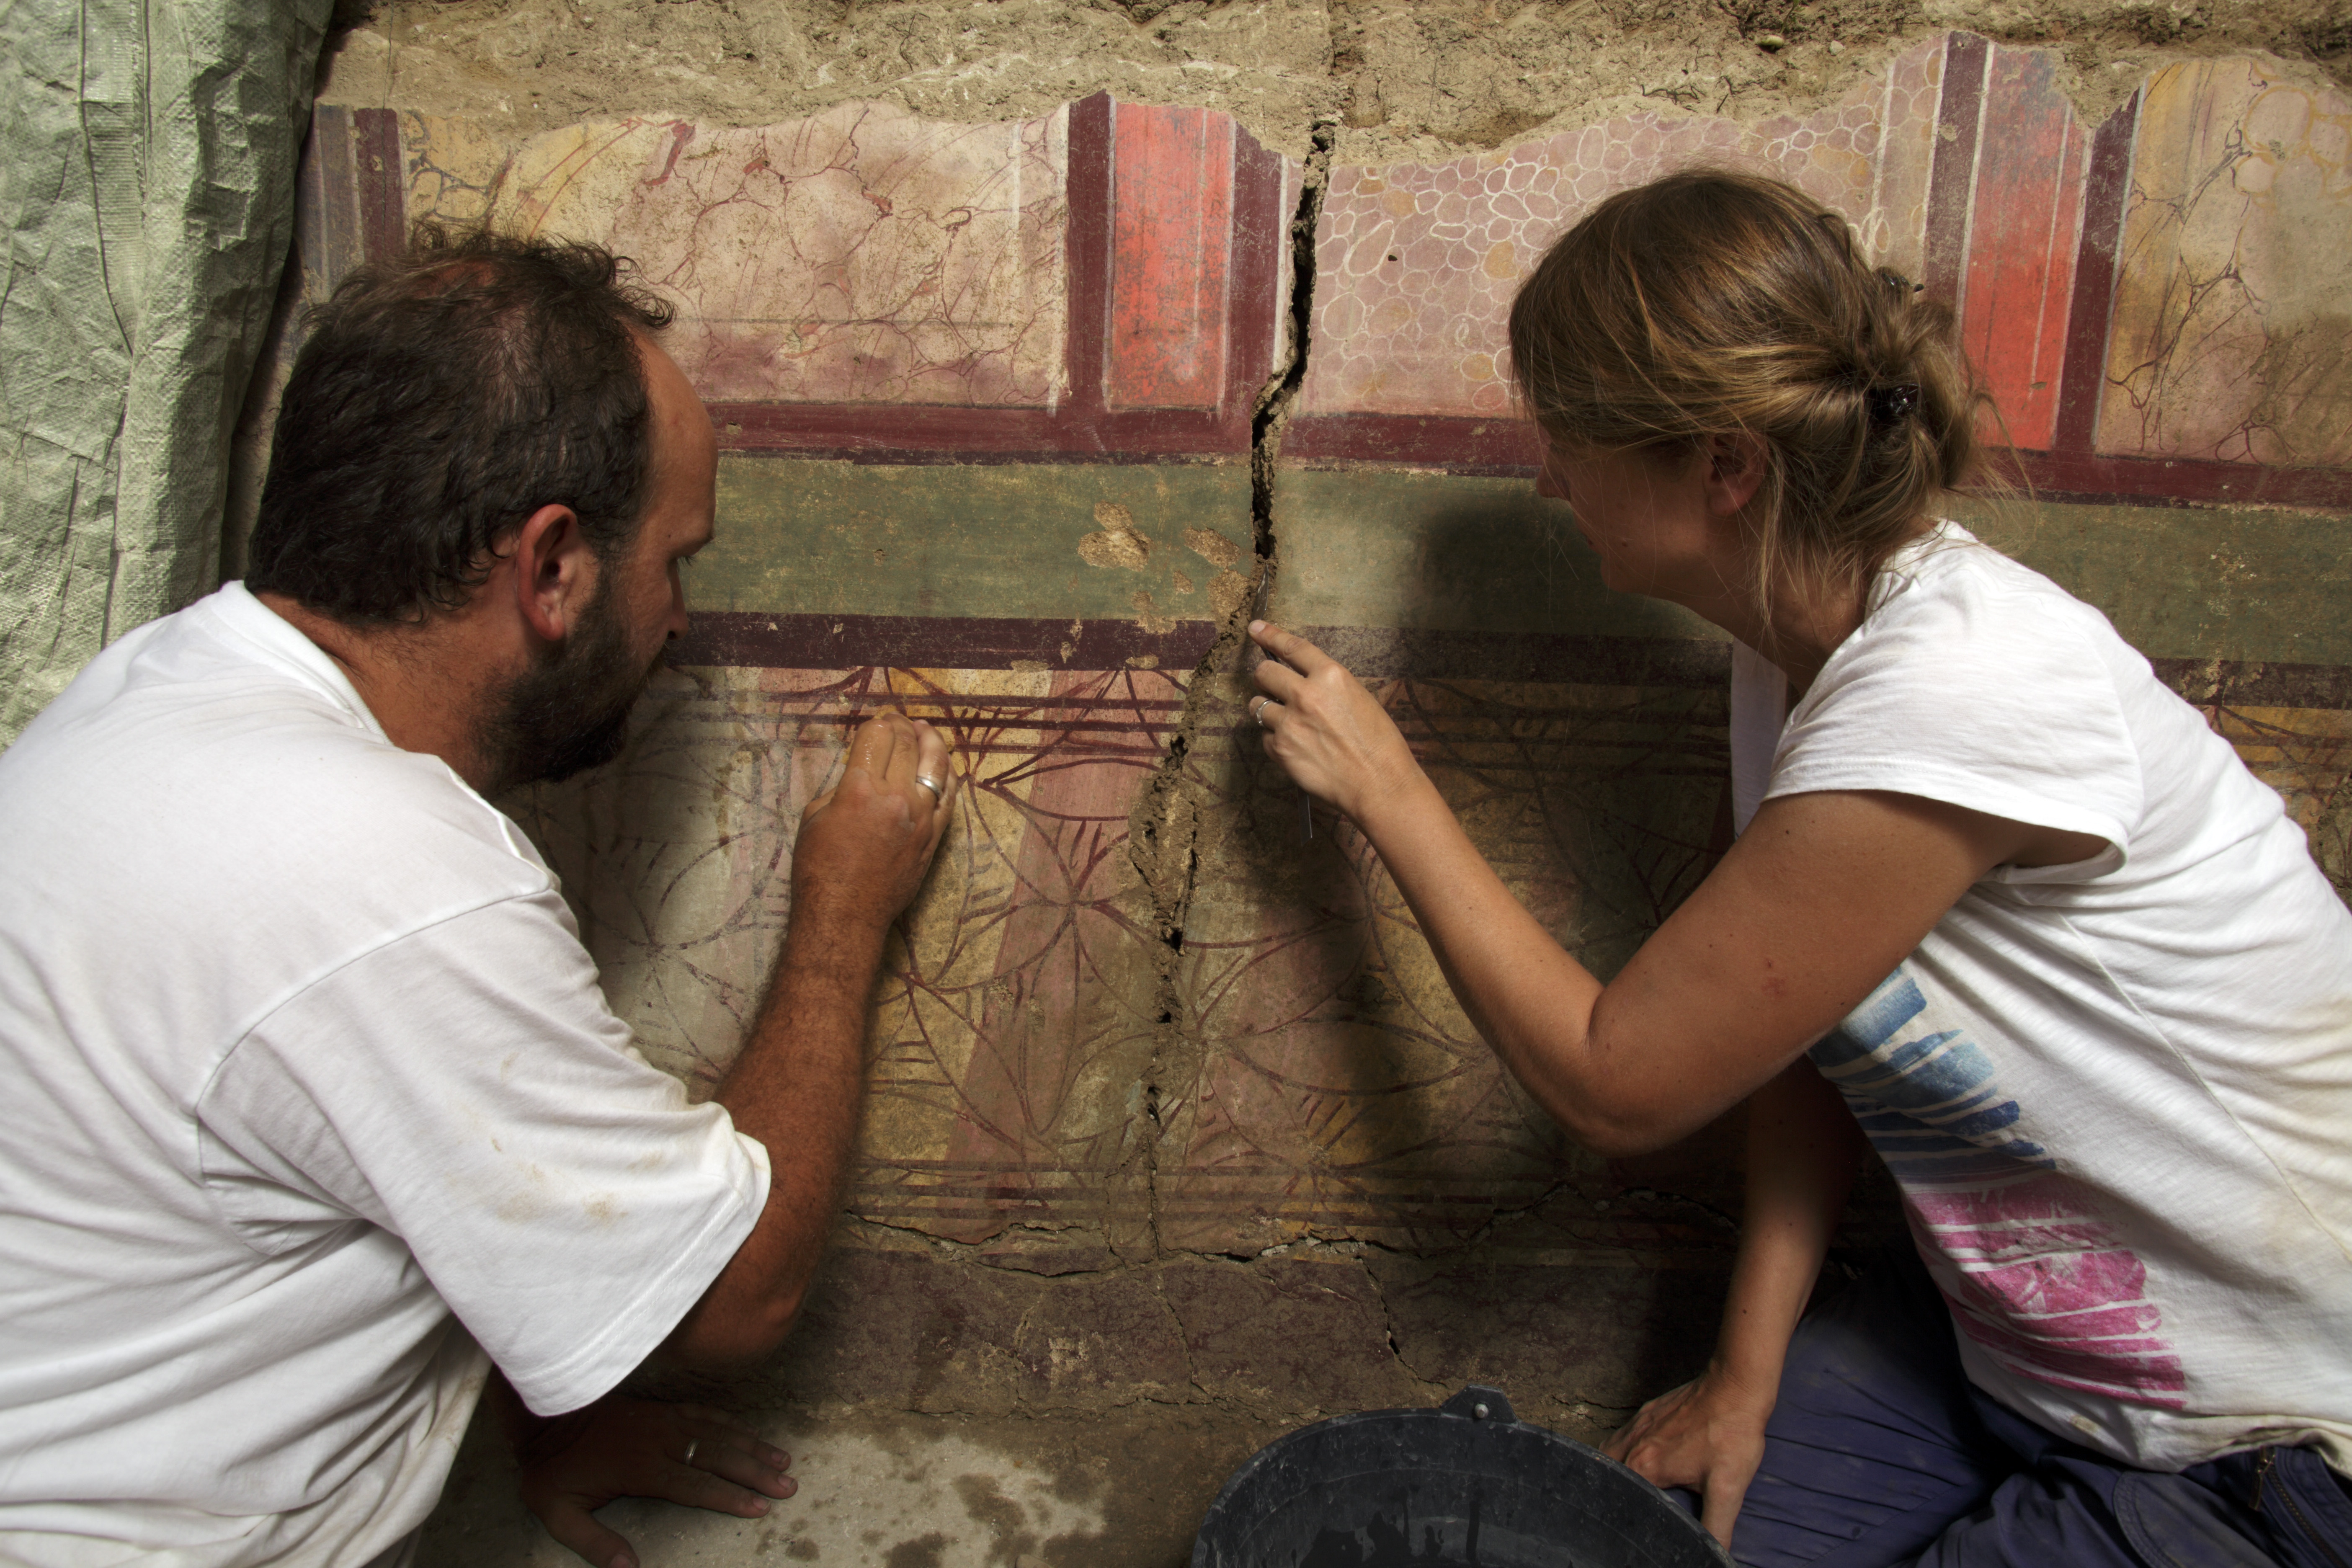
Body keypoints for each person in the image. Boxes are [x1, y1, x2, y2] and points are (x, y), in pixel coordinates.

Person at [1244, 170, 2352, 1566]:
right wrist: (1745, 1378)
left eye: (1573, 440)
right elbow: (1801, 1036)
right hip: (2010, 1358)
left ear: (1723, 468)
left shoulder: (1956, 684)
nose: (1545, 476)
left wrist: (1383, 789)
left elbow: (1622, 1079)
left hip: (2274, 1440)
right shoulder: (1801, 653)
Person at [0, 229, 959, 1568]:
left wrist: (528, 1408)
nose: (680, 619)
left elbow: (339, 1160)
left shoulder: (152, 693)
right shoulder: (386, 876)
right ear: (553, 567)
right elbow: (733, 1298)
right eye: (676, 560)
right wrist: (843, 914)